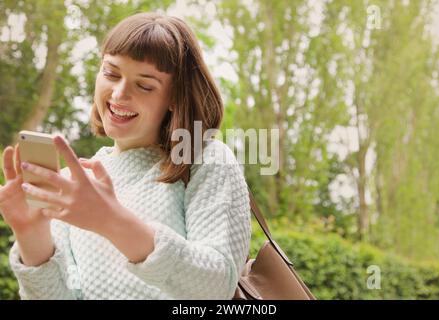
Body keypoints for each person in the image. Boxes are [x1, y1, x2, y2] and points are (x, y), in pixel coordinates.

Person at [0, 12, 251, 300]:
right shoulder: (74, 184)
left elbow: (217, 286)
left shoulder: (205, 159)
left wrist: (110, 220)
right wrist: (32, 235)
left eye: (144, 85)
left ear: (174, 96)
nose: (119, 94)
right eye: (111, 73)